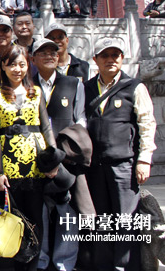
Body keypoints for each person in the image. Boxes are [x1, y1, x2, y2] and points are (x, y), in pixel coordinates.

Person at [84, 38, 156, 271]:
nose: (110, 60)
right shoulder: (86, 88)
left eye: (115, 55)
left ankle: (126, 266)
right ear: (95, 60)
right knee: (102, 220)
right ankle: (104, 265)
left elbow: (147, 123)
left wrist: (144, 159)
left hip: (124, 165)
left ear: (122, 58)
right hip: (95, 167)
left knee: (126, 219)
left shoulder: (134, 86)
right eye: (105, 55)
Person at [0, 44, 56, 271]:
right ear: (3, 66)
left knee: (35, 218)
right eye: (12, 64)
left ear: (28, 66)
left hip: (35, 164)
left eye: (22, 64)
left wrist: (53, 160)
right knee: (11, 219)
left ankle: (32, 265)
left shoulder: (36, 92)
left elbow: (46, 128)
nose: (17, 69)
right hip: (9, 165)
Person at [31, 39, 87, 271]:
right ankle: (42, 261)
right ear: (33, 59)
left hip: (66, 159)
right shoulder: (26, 85)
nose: (49, 56)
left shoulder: (73, 83)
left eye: (53, 52)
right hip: (36, 160)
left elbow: (80, 120)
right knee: (40, 213)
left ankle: (65, 263)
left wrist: (67, 151)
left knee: (67, 212)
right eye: (42, 52)